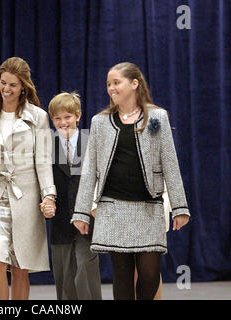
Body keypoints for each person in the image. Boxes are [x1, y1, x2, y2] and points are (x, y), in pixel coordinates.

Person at [71, 62, 190, 300]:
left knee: (149, 275)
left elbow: (170, 163)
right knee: (122, 275)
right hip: (113, 209)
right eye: (108, 84)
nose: (111, 88)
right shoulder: (100, 122)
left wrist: (180, 207)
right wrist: (81, 213)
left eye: (116, 82)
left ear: (134, 84)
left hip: (149, 209)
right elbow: (89, 170)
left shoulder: (156, 118)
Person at [0, 57, 56, 300]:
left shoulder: (37, 116)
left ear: (24, 87)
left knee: (20, 266)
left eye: (13, 85)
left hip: (26, 199)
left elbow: (43, 160)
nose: (6, 89)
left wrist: (49, 194)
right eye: (2, 82)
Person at [41, 92, 102, 300]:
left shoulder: (91, 141)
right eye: (57, 118)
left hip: (87, 217)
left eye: (67, 116)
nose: (63, 122)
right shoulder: (48, 144)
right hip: (60, 219)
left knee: (86, 270)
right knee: (64, 276)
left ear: (78, 115)